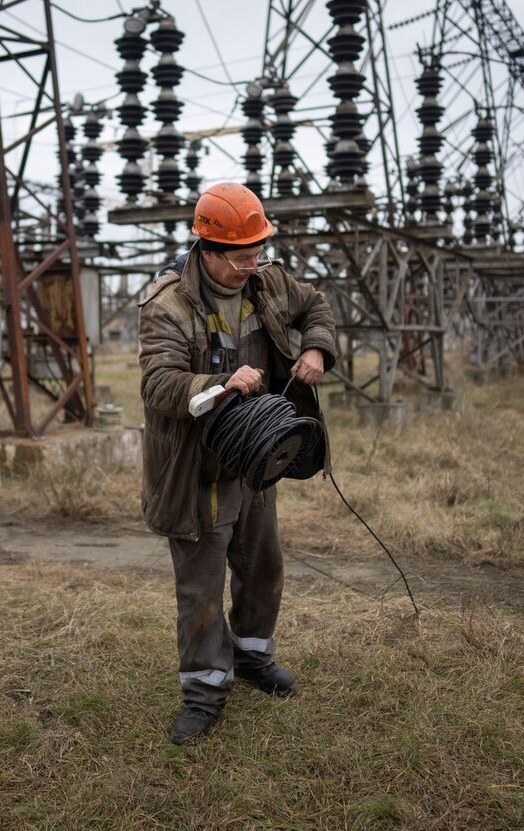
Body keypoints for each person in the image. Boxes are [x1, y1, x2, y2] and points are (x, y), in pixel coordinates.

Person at [138, 181, 337, 745]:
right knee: (200, 586)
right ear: (208, 249)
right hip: (197, 469)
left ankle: (252, 659)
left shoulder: (266, 280)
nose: (254, 264)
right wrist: (220, 383)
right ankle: (204, 692)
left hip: (257, 458)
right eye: (242, 256)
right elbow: (158, 385)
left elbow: (314, 303)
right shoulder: (168, 305)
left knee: (263, 565)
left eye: (259, 252)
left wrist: (316, 347)